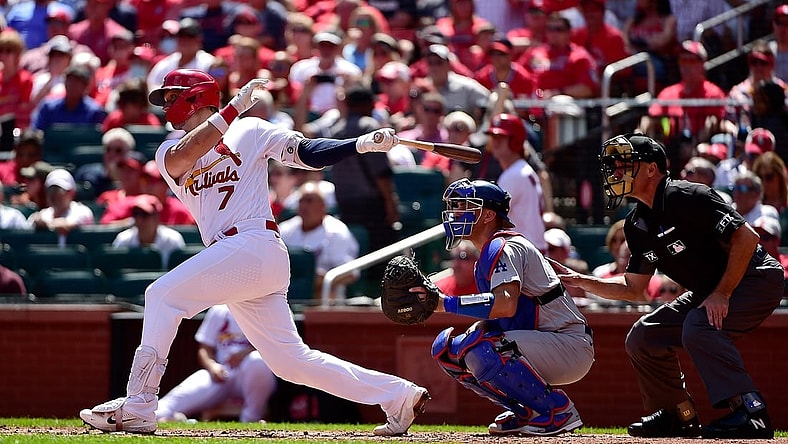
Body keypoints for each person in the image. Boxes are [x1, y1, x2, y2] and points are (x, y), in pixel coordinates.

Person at [79, 69, 429, 435]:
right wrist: (232, 109)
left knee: (161, 296)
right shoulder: (169, 147)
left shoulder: (252, 130)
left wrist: (358, 144)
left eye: (172, 96)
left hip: (254, 243)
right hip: (238, 256)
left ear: (195, 96)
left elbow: (306, 153)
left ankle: (139, 403)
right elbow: (187, 155)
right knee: (291, 363)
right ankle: (397, 395)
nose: (166, 105)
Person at [554, 133, 782, 439]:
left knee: (698, 325)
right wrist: (580, 280)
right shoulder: (636, 224)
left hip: (756, 278)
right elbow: (634, 289)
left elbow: (747, 237)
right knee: (644, 336)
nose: (617, 173)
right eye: (615, 166)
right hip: (713, 289)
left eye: (625, 165)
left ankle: (751, 412)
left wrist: (722, 293)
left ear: (651, 169)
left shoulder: (687, 195)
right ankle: (678, 415)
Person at [429, 178, 593, 436]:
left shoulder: (505, 246)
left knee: (485, 347)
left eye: (465, 206)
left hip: (568, 344)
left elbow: (504, 306)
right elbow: (503, 317)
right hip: (542, 340)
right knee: (451, 352)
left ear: (488, 215)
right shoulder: (486, 254)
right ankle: (526, 409)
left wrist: (446, 303)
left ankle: (557, 410)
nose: (457, 212)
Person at [155, 304, 277, 423]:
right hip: (222, 373)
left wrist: (247, 352)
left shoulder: (266, 307)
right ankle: (157, 415)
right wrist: (212, 366)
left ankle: (251, 419)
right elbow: (205, 348)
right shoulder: (220, 309)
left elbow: (278, 346)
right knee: (165, 408)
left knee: (257, 360)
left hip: (250, 375)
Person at [279, 181, 359, 300]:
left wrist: (319, 280)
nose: (304, 205)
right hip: (287, 290)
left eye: (310, 201)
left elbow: (351, 274)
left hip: (324, 297)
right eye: (301, 201)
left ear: (323, 206)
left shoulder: (336, 232)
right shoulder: (285, 229)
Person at [485, 113, 547, 251]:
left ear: (516, 141)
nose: (495, 142)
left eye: (500, 137)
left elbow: (491, 219)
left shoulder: (514, 175)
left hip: (526, 255)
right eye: (493, 137)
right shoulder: (521, 170)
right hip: (531, 251)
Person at [111, 194, 185, 269]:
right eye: (136, 214)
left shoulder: (172, 240)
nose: (139, 220)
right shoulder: (123, 240)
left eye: (145, 215)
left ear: (157, 218)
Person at [28, 168, 94, 237]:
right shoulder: (43, 214)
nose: (55, 195)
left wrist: (46, 224)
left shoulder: (82, 211)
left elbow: (66, 225)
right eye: (51, 190)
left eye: (60, 191)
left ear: (72, 192)